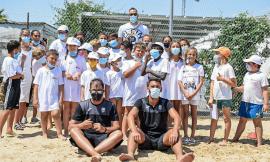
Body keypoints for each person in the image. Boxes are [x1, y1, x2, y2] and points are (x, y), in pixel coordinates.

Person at [118, 79, 195, 162]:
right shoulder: (140, 102)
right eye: (152, 86)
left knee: (174, 131)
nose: (155, 88)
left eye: (157, 87)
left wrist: (175, 131)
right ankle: (130, 155)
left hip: (162, 139)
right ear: (148, 88)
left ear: (161, 89)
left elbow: (177, 117)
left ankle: (180, 157)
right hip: (144, 139)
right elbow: (130, 116)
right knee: (133, 131)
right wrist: (134, 130)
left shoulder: (166, 102)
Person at [69, 78, 123, 162]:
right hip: (86, 138)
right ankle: (95, 153)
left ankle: (91, 152)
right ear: (90, 91)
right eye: (94, 90)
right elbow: (70, 126)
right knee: (74, 130)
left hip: (104, 139)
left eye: (99, 90)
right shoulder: (83, 105)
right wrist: (81, 125)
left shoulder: (110, 106)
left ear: (103, 90)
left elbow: (116, 126)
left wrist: (105, 129)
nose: (96, 92)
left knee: (119, 134)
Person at [232, 55, 269, 147]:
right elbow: (244, 88)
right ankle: (235, 138)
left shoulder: (262, 75)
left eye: (249, 63)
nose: (247, 65)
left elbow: (265, 90)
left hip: (256, 103)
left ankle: (259, 143)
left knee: (257, 122)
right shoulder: (247, 74)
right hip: (245, 102)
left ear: (256, 65)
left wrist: (265, 103)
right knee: (242, 121)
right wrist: (236, 89)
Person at [33, 49, 65, 139]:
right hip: (42, 97)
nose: (54, 61)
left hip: (54, 97)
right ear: (46, 58)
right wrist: (35, 98)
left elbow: (61, 86)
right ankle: (44, 132)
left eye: (55, 59)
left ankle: (59, 133)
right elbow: (36, 86)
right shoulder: (40, 71)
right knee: (44, 115)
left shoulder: (58, 70)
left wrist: (61, 98)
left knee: (55, 114)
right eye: (52, 58)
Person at [208, 47, 236, 145]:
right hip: (215, 97)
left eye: (217, 53)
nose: (215, 55)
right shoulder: (216, 66)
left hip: (225, 97)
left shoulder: (228, 67)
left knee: (226, 118)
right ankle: (211, 138)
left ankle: (225, 139)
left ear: (223, 55)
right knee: (214, 118)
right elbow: (212, 82)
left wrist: (222, 78)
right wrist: (211, 97)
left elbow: (234, 84)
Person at [178, 47, 204, 145]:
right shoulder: (183, 67)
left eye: (193, 54)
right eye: (189, 54)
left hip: (194, 95)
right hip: (185, 95)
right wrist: (185, 92)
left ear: (196, 56)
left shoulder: (199, 67)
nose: (191, 56)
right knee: (185, 115)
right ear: (186, 55)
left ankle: (193, 136)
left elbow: (201, 82)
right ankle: (185, 135)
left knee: (194, 115)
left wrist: (193, 93)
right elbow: (179, 81)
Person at [122, 43, 148, 138]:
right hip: (131, 92)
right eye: (138, 51)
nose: (140, 53)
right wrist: (136, 66)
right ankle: (124, 134)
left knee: (140, 114)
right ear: (134, 51)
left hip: (142, 93)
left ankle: (140, 132)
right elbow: (125, 74)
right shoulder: (128, 62)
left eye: (142, 51)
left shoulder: (146, 63)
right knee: (127, 113)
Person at [62, 37, 87, 136]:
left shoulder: (81, 59)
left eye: (74, 46)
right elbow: (61, 70)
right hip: (66, 87)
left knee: (74, 109)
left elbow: (85, 71)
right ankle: (66, 130)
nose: (72, 47)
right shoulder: (63, 57)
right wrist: (65, 74)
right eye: (70, 45)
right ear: (67, 46)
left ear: (77, 47)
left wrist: (79, 73)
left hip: (77, 87)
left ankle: (72, 129)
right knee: (66, 108)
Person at [0, 40, 23, 137]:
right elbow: (11, 75)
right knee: (8, 108)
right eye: (19, 48)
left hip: (16, 84)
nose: (20, 49)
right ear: (15, 49)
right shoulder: (8, 60)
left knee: (13, 107)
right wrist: (20, 75)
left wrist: (20, 75)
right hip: (11, 84)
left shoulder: (14, 59)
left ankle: (9, 129)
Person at [14, 28, 33, 129]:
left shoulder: (31, 50)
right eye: (24, 35)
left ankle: (20, 120)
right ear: (21, 36)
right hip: (20, 76)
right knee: (20, 99)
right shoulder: (17, 50)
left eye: (28, 35)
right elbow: (15, 67)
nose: (26, 37)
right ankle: (16, 122)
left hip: (28, 76)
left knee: (25, 100)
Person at [106, 53, 124, 134]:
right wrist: (107, 97)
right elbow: (107, 86)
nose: (119, 62)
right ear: (112, 62)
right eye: (117, 60)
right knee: (112, 114)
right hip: (112, 96)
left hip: (120, 95)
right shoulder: (108, 73)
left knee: (119, 113)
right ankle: (112, 129)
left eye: (120, 60)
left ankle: (119, 129)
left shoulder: (122, 72)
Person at [167, 42, 184, 116]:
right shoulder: (167, 61)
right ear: (170, 49)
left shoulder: (183, 62)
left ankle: (177, 125)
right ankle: (169, 125)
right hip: (169, 86)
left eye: (177, 46)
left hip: (179, 87)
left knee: (177, 107)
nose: (175, 48)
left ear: (180, 49)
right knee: (169, 107)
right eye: (173, 46)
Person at [30, 48, 46, 124]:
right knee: (40, 100)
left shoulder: (34, 61)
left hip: (35, 81)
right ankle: (40, 118)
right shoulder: (42, 60)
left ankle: (34, 117)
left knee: (36, 99)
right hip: (41, 82)